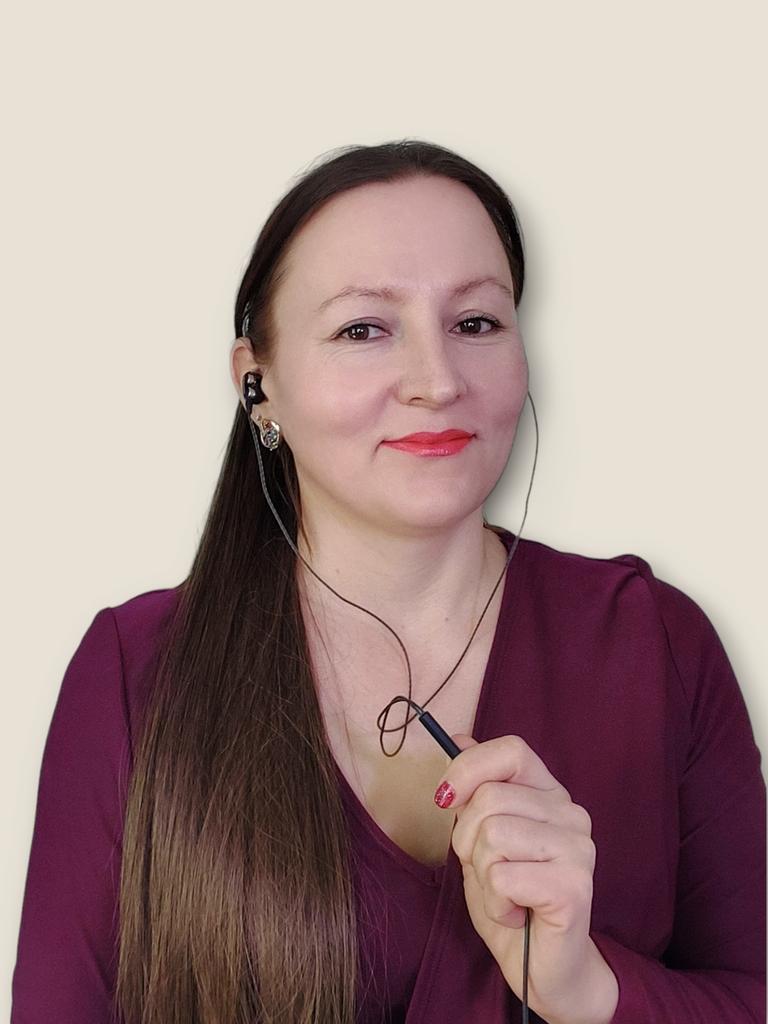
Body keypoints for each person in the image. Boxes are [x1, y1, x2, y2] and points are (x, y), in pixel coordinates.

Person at [11, 139, 766, 1024]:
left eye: (475, 323)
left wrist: (586, 989)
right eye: (363, 329)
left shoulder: (656, 644)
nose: (437, 382)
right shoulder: (134, 673)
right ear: (258, 384)